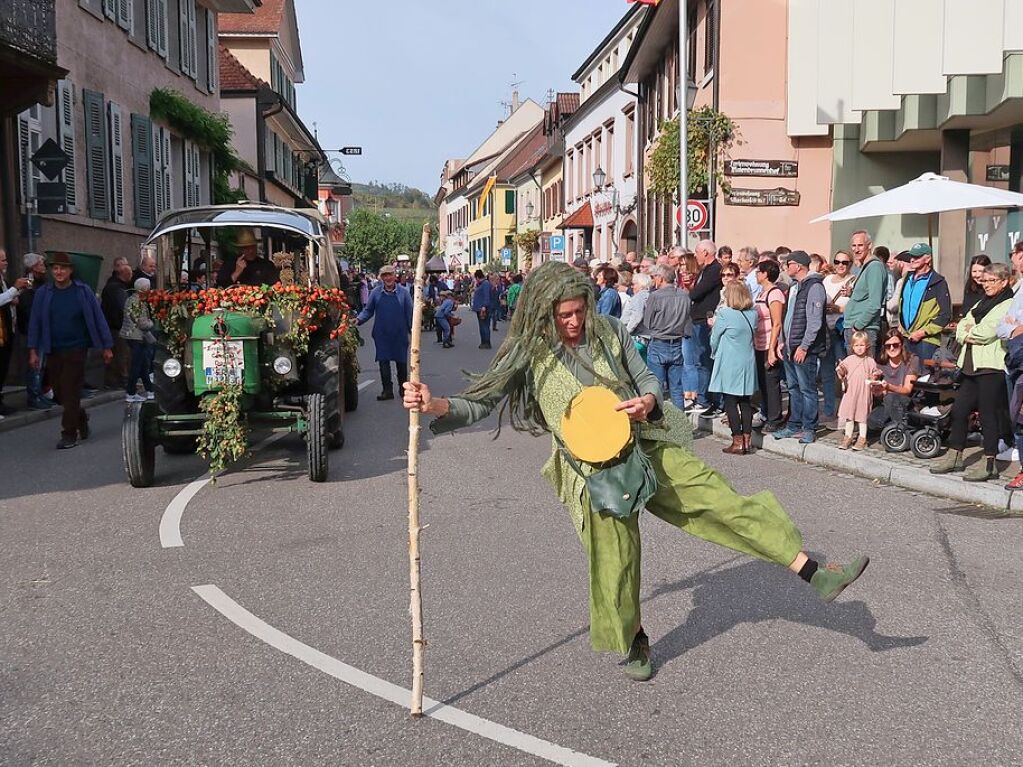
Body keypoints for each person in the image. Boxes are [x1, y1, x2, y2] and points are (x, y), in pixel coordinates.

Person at [402, 260, 869, 681]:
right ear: (544, 311)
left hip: (645, 445)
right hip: (591, 473)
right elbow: (482, 401)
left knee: (721, 501)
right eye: (563, 315)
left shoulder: (607, 330)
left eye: (577, 311)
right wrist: (434, 403)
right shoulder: (529, 350)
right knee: (617, 565)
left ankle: (812, 572)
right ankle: (634, 639)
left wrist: (647, 400)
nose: (573, 322)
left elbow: (645, 377)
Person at [931, 263, 1014, 481]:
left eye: (990, 281)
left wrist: (968, 332)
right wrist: (964, 332)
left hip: (990, 367)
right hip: (969, 365)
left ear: (1004, 281)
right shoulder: (981, 302)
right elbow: (962, 323)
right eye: (984, 281)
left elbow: (988, 332)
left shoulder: (1007, 304)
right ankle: (955, 455)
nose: (985, 285)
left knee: (988, 416)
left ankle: (989, 463)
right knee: (959, 411)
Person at [26, 252, 114, 449]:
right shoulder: (43, 293)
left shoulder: (83, 291)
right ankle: (80, 418)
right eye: (55, 268)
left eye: (63, 268)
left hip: (77, 348)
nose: (59, 272)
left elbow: (98, 319)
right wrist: (32, 350)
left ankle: (69, 434)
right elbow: (35, 323)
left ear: (70, 271)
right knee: (60, 393)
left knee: (70, 389)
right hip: (53, 348)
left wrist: (106, 346)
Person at [776, 251, 827, 444]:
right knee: (793, 388)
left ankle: (809, 428)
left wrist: (804, 346)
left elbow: (814, 322)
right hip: (790, 346)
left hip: (804, 349)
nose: (786, 268)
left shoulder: (814, 287)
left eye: (789, 264)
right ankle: (793, 425)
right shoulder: (795, 287)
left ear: (798, 266)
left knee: (807, 389)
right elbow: (787, 316)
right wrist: (782, 341)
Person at [710, 281, 758, 454]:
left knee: (730, 400)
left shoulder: (725, 314)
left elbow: (714, 338)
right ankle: (747, 439)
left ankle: (737, 439)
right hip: (747, 359)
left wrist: (713, 352)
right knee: (745, 400)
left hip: (730, 360)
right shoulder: (753, 313)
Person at [354, 264, 413, 401]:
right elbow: (368, 311)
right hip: (382, 333)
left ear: (394, 276)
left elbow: (409, 313)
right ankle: (387, 391)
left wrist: (413, 331)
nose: (388, 278)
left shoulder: (404, 293)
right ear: (381, 278)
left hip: (399, 333)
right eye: (384, 275)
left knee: (402, 362)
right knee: (383, 362)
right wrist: (358, 320)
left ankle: (403, 390)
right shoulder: (375, 292)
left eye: (390, 275)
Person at [642, 265, 692, 411]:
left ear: (661, 278)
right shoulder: (684, 295)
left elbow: (648, 322)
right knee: (676, 388)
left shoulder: (655, 296)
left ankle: (659, 425)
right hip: (677, 342)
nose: (654, 280)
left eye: (655, 277)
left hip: (659, 342)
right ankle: (681, 425)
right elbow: (688, 319)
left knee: (655, 388)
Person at [896, 243, 951, 362]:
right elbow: (902, 305)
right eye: (912, 256)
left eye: (917, 257)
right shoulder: (907, 278)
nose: (912, 260)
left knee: (923, 376)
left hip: (926, 341)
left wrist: (922, 332)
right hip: (905, 337)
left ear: (928, 259)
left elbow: (945, 315)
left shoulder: (938, 282)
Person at [821, 251, 856, 428]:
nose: (841, 265)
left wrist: (836, 309)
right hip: (825, 330)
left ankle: (846, 412)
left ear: (850, 264)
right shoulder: (826, 280)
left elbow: (855, 307)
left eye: (845, 262)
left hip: (842, 331)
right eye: (837, 261)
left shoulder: (854, 281)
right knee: (826, 373)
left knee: (845, 373)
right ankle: (828, 411)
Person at [753, 259, 787, 432]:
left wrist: (772, 349)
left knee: (771, 383)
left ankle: (775, 418)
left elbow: (777, 323)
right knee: (762, 383)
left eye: (759, 271)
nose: (756, 274)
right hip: (758, 345)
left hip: (769, 344)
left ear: (766, 274)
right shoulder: (760, 293)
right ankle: (765, 413)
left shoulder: (774, 294)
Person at [689, 240, 722, 414]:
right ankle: (703, 397)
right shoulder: (704, 270)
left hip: (705, 320)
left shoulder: (715, 270)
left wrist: (690, 292)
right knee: (700, 361)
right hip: (698, 319)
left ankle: (707, 399)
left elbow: (697, 292)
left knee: (705, 360)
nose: (695, 256)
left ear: (706, 253)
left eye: (697, 252)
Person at [15, 253, 52, 410]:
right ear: (33, 267)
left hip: (42, 330)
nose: (44, 267)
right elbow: (29, 310)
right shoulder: (29, 286)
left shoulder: (41, 284)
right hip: (32, 330)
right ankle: (34, 396)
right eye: (41, 264)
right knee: (35, 365)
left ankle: (39, 394)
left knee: (41, 364)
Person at [843, 230, 887, 356]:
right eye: (854, 246)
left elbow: (874, 304)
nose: (856, 249)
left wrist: (858, 325)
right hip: (856, 327)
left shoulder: (874, 267)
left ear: (869, 245)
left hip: (863, 330)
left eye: (860, 245)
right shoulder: (865, 267)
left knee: (864, 371)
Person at [867, 329, 921, 432]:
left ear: (901, 345)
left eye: (895, 345)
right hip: (886, 402)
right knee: (872, 422)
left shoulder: (912, 360)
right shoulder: (881, 362)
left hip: (907, 403)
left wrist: (888, 387)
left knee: (891, 398)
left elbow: (907, 390)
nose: (892, 348)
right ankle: (891, 427)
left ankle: (900, 430)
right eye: (888, 346)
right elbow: (879, 393)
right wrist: (875, 387)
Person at [836, 331, 881, 450]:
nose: (859, 348)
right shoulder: (849, 359)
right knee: (849, 416)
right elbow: (842, 370)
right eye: (856, 345)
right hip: (851, 392)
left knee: (862, 416)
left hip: (863, 393)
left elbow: (876, 372)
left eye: (862, 345)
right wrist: (840, 370)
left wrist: (874, 376)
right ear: (852, 346)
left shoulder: (869, 361)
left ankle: (862, 438)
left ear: (867, 346)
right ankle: (848, 437)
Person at [0, 247, 31, 417]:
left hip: (6, 331)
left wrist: (13, 296)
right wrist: (13, 289)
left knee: (3, 367)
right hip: (1, 332)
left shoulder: (2, 278)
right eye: (3, 260)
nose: (6, 262)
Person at [100, 256, 133, 390]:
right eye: (130, 274)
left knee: (118, 354)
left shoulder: (113, 285)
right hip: (117, 325)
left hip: (113, 324)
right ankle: (119, 380)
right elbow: (124, 307)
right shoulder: (117, 288)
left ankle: (115, 380)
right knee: (121, 354)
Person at [121, 277, 156, 401]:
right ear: (143, 289)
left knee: (141, 365)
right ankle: (130, 393)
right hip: (136, 337)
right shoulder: (137, 302)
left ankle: (150, 390)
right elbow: (142, 323)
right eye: (148, 288)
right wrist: (152, 323)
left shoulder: (132, 300)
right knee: (137, 366)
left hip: (135, 336)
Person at [216, 228, 280, 287]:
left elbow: (275, 286)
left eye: (252, 247)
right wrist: (237, 272)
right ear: (239, 249)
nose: (250, 251)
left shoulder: (266, 265)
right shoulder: (229, 264)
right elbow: (221, 286)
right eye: (246, 248)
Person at [470, 269, 493, 349]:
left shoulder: (485, 284)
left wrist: (484, 306)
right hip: (479, 308)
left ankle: (486, 342)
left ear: (477, 277)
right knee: (482, 326)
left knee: (484, 326)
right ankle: (483, 342)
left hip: (483, 308)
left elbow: (486, 296)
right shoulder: (481, 284)